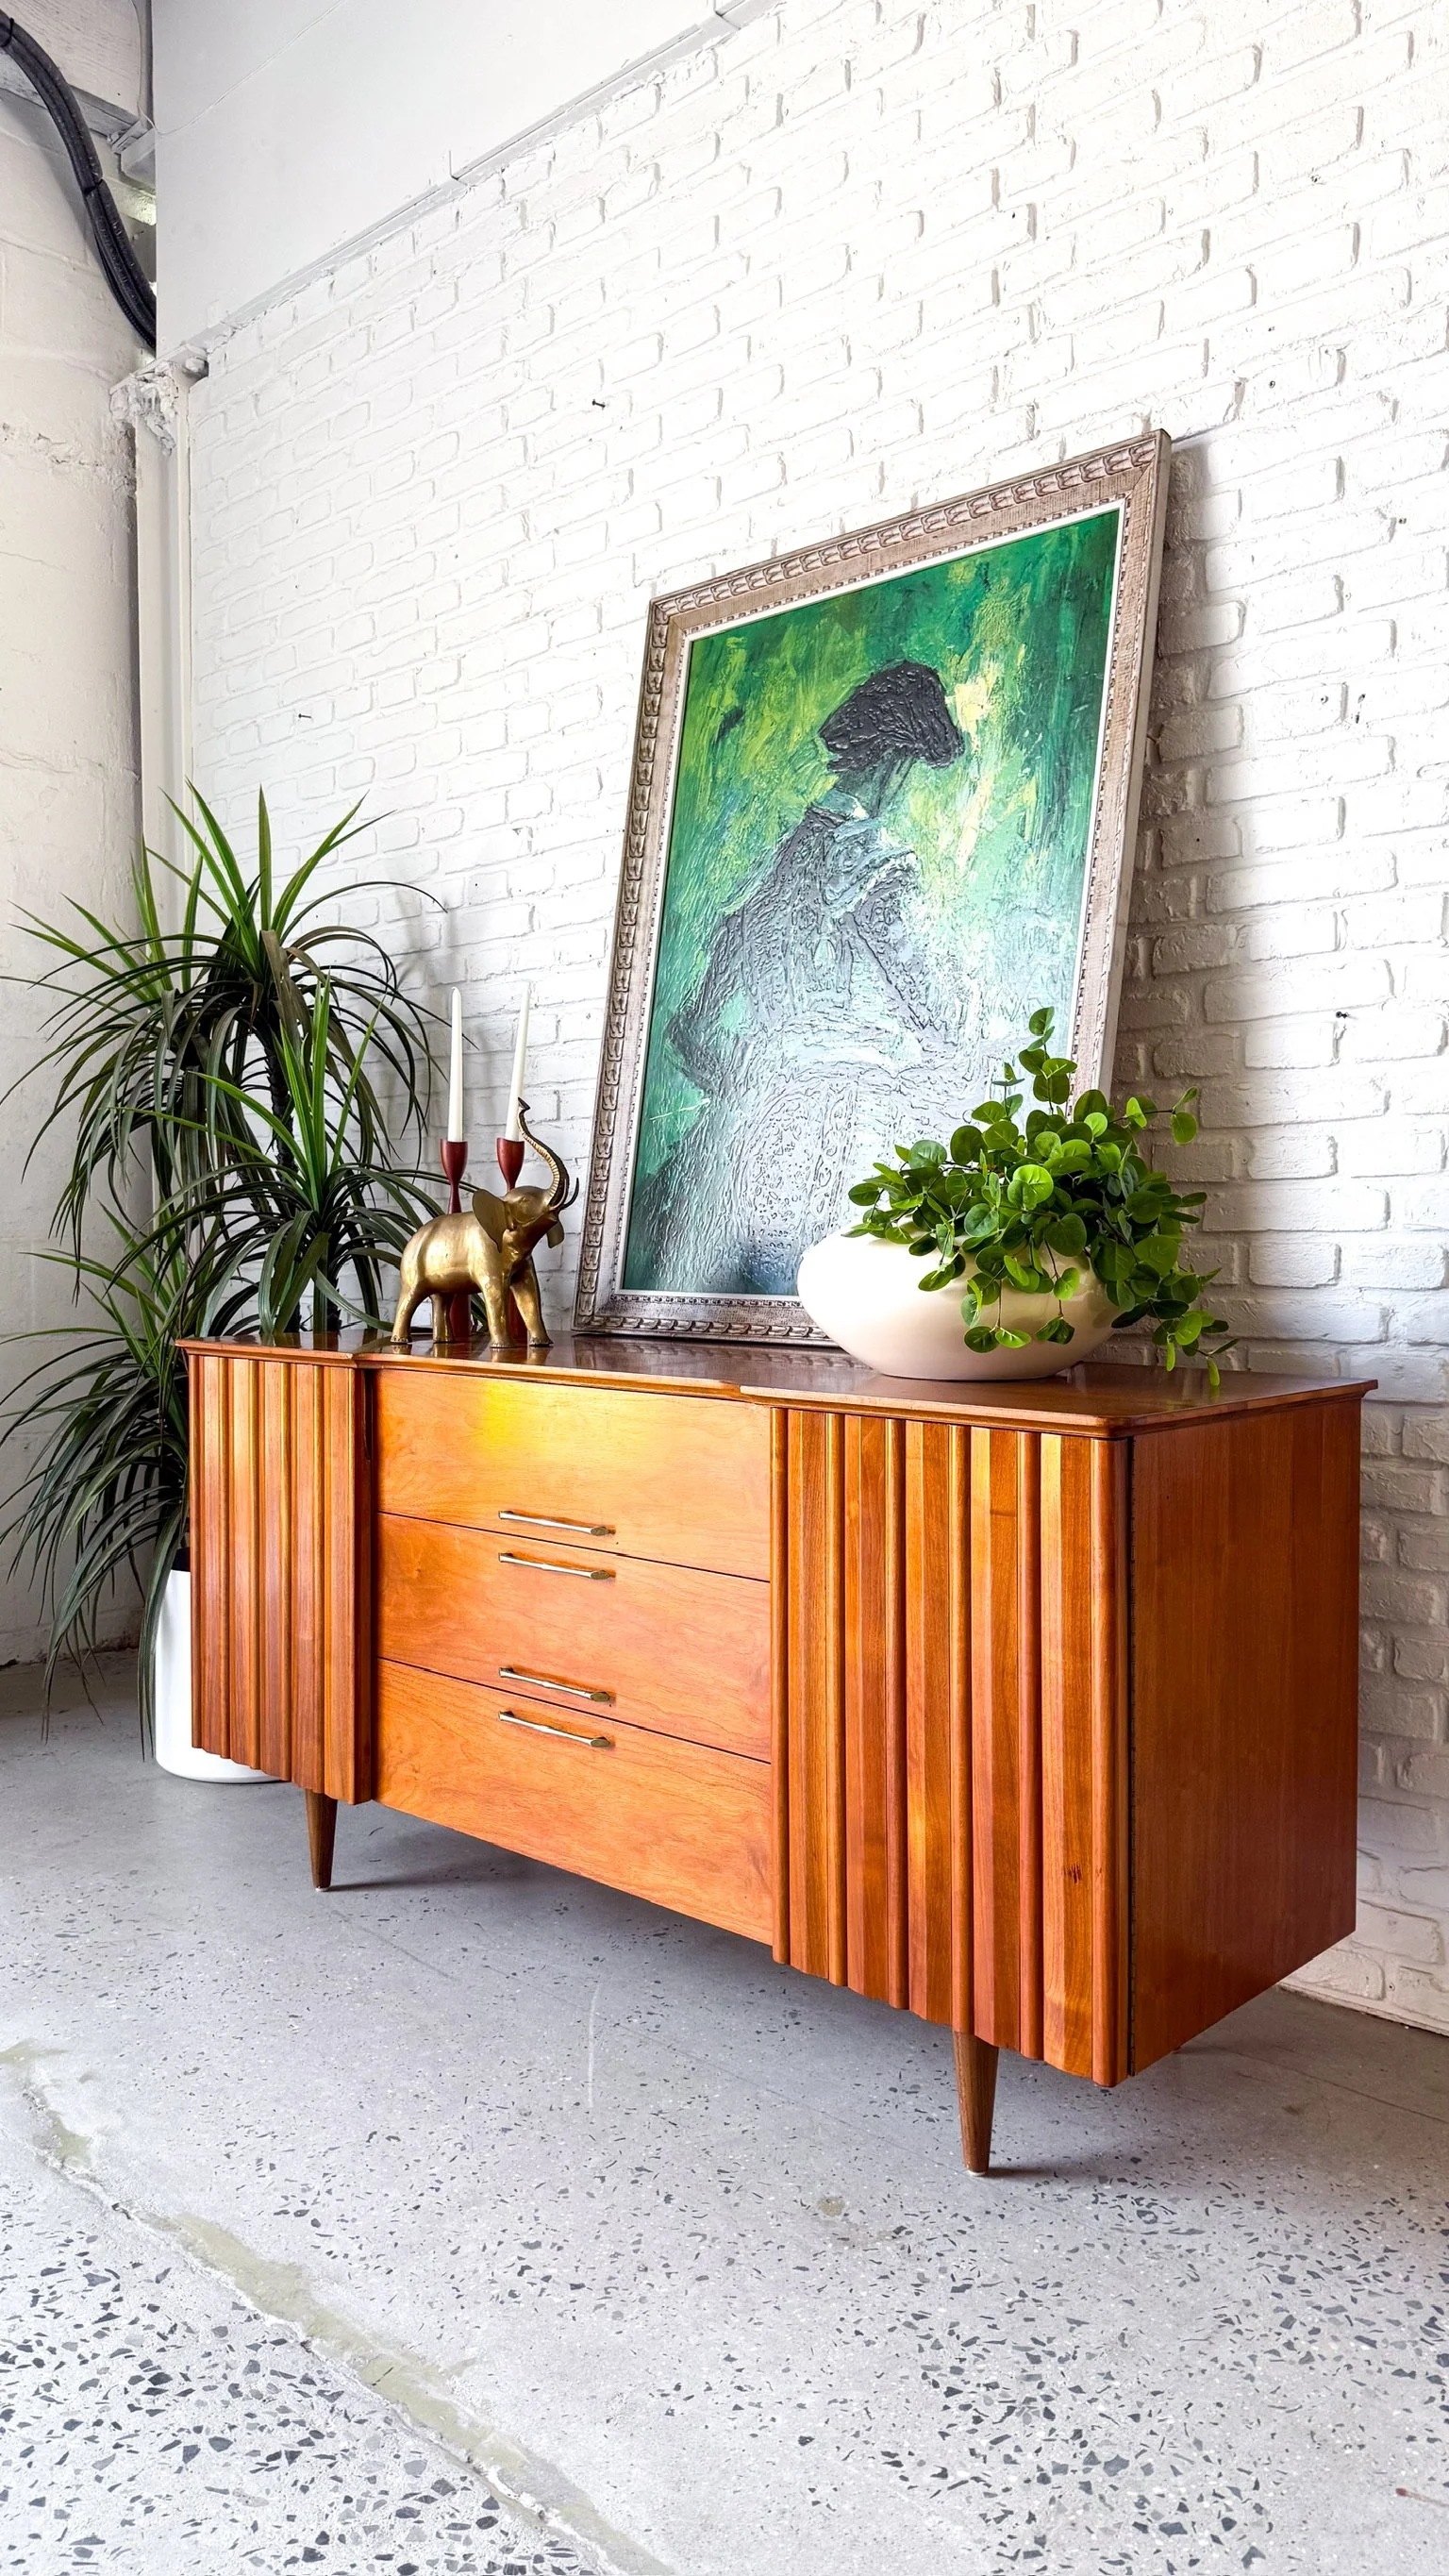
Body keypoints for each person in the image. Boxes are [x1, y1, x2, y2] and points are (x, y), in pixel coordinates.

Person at [625, 661, 966, 1296]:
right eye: (911, 767)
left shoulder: (775, 859)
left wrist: (753, 1081)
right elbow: (933, 1009)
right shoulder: (872, 857)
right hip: (845, 1121)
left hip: (745, 1135)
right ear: (897, 759)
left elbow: (691, 1027)